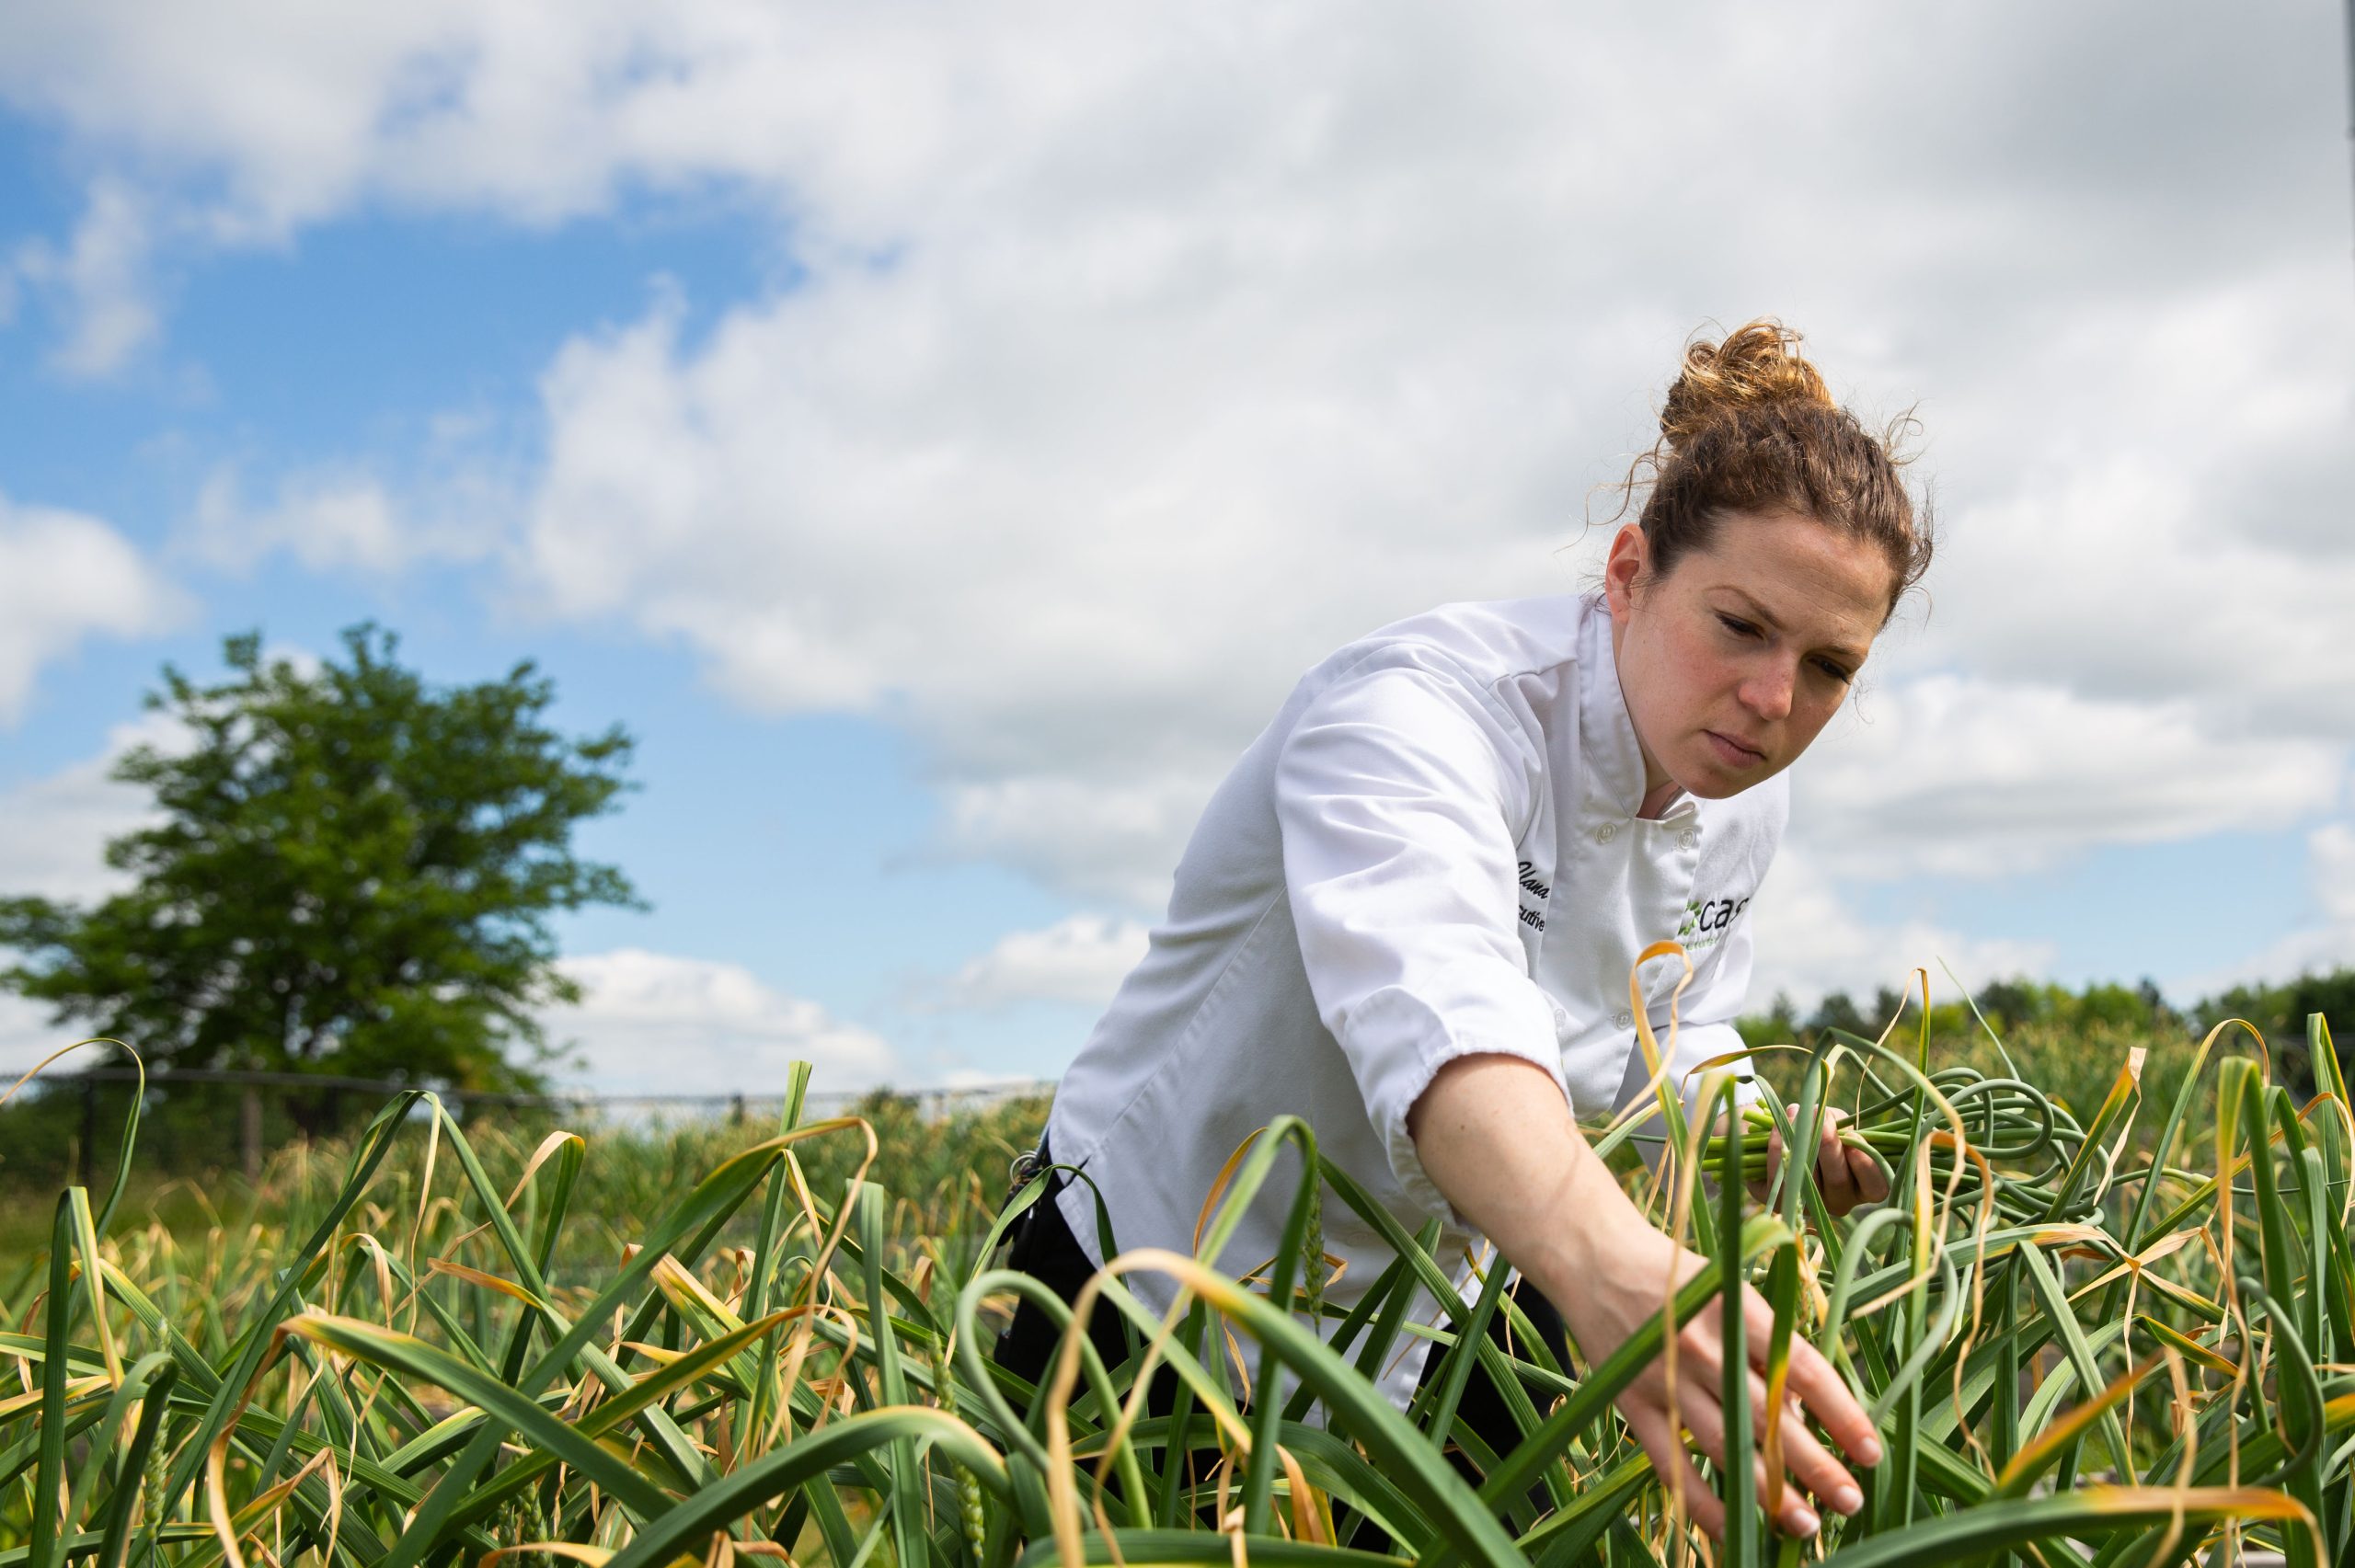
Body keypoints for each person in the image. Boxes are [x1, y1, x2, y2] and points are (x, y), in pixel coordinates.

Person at [994, 320, 1918, 1541]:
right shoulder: (1409, 715)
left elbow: (1674, 1020)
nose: (1772, 699)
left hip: (1448, 1289)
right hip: (1159, 1283)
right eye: (1741, 625)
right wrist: (1608, 1258)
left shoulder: (1741, 790)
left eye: (1829, 667)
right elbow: (1440, 1016)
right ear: (1630, 572)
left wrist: (1776, 1134)